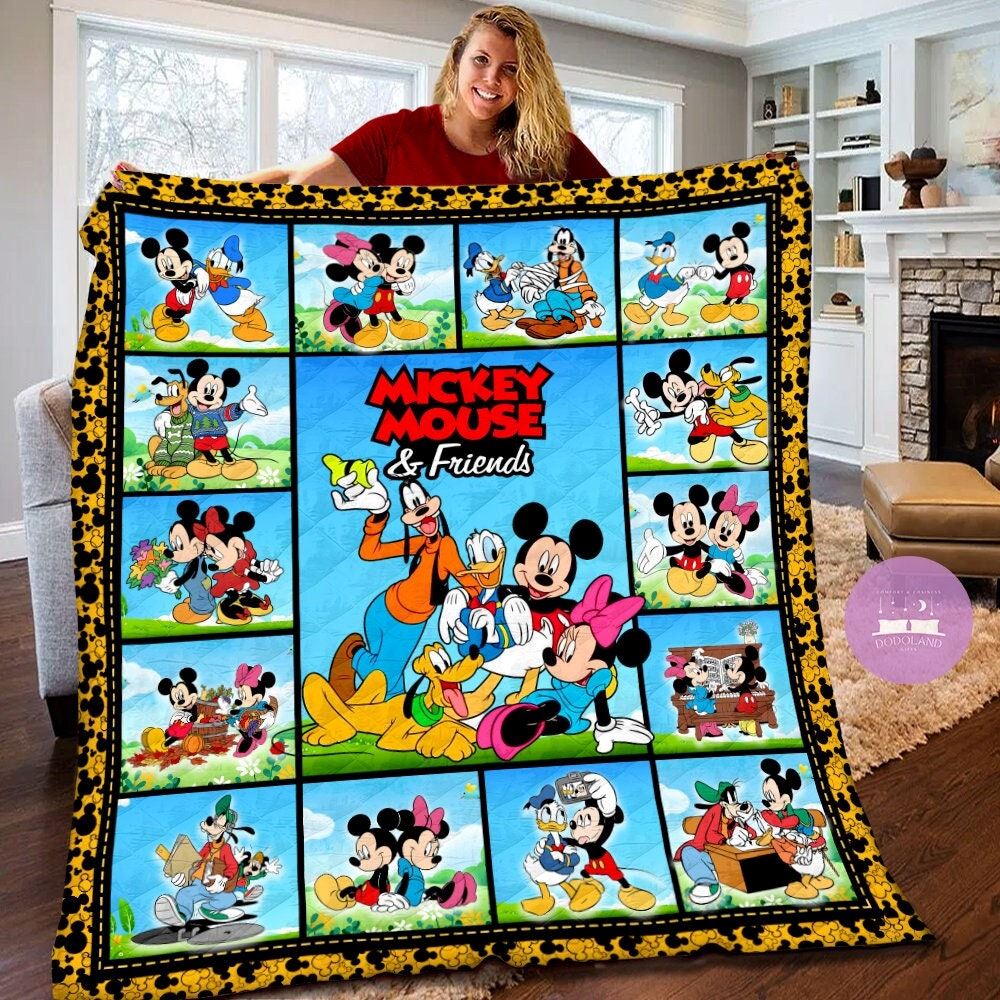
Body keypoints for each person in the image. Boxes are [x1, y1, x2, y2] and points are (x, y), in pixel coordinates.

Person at [113, 5, 610, 190]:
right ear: (457, 60)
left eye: (511, 69)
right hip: (407, 353)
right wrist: (166, 191)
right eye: (481, 60)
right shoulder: (397, 136)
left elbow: (629, 213)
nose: (492, 79)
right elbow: (292, 181)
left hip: (513, 354)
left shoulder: (550, 148)